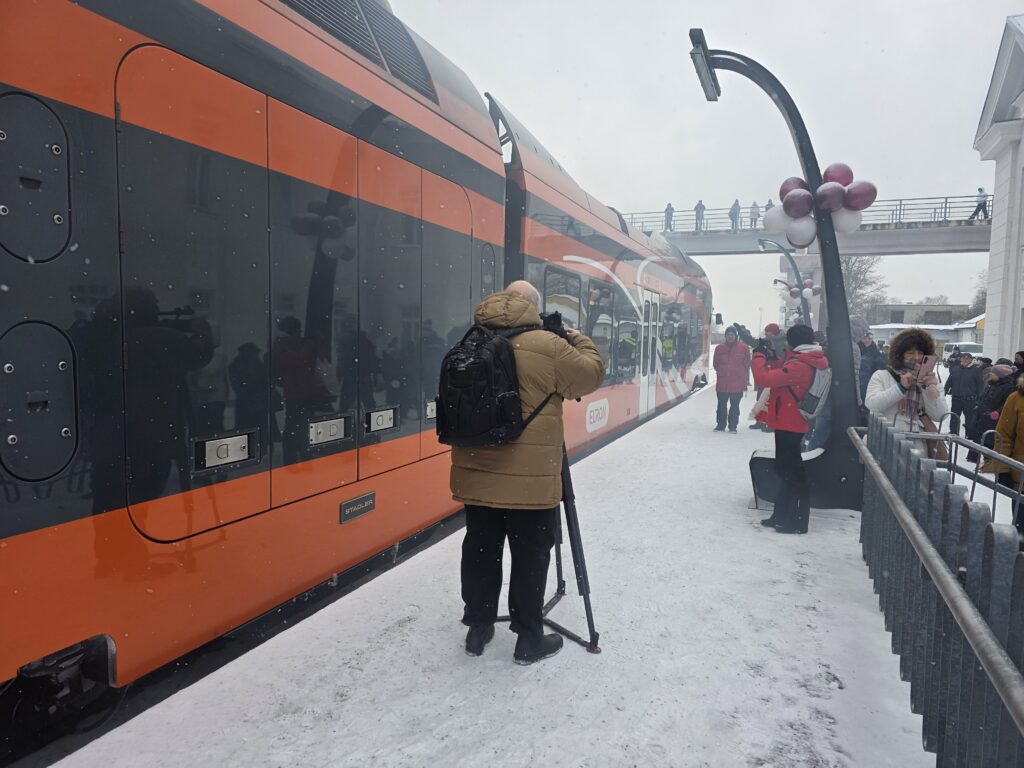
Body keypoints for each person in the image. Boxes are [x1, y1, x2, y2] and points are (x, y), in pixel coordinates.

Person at [451, 280, 604, 664]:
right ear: (533, 306)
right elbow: (591, 375)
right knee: (530, 557)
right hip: (531, 482)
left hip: (477, 474)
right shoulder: (549, 345)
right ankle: (528, 638)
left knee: (481, 551)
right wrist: (574, 336)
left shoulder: (470, 341)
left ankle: (478, 628)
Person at [751, 324, 829, 534]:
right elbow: (782, 371)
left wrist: (758, 356)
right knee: (785, 470)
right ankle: (781, 515)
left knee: (792, 473)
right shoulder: (803, 360)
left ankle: (797, 522)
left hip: (791, 422)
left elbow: (763, 378)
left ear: (795, 342)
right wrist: (771, 357)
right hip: (788, 420)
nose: (785, 344)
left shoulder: (800, 365)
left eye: (788, 341)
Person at [865, 327, 948, 434]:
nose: (916, 357)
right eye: (910, 352)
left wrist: (929, 391)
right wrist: (900, 388)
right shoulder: (882, 375)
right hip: (885, 439)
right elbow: (872, 405)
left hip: (917, 442)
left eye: (920, 352)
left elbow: (940, 416)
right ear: (899, 354)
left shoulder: (930, 380)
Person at [966, 363, 1015, 463]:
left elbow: (1008, 405)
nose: (990, 374)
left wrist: (997, 412)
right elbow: (982, 397)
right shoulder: (991, 384)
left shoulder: (1009, 388)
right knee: (978, 439)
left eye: (992, 372)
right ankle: (973, 459)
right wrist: (978, 405)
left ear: (999, 375)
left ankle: (988, 462)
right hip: (982, 417)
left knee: (989, 441)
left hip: (994, 420)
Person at [713, 326, 750, 433]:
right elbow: (715, 364)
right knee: (721, 405)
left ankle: (733, 426)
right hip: (722, 382)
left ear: (736, 336)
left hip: (737, 383)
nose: (730, 336)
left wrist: (738, 373)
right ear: (725, 336)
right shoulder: (719, 348)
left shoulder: (744, 348)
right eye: (728, 334)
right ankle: (720, 425)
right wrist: (723, 371)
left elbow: (747, 363)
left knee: (735, 406)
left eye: (732, 335)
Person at [944, 351, 983, 434]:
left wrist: (978, 400)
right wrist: (944, 392)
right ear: (961, 359)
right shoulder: (956, 369)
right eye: (963, 358)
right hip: (956, 399)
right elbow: (949, 382)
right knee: (954, 417)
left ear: (971, 360)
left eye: (967, 358)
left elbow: (980, 386)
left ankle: (969, 435)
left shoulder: (976, 370)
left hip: (970, 400)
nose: (965, 360)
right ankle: (953, 433)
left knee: (969, 419)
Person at [856, 326, 886, 403]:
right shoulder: (857, 350)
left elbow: (882, 366)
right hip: (857, 383)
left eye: (869, 338)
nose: (867, 340)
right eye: (864, 338)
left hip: (869, 384)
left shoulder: (875, 351)